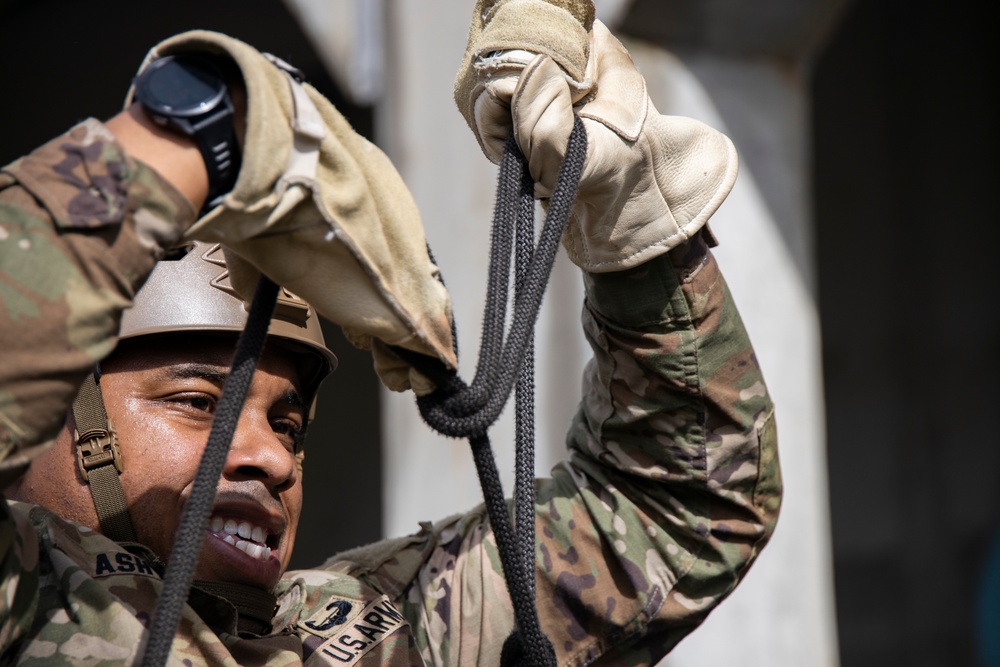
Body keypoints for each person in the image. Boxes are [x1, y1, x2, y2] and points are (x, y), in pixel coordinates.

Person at [0, 1, 781, 664]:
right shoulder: (22, 598)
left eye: (288, 424)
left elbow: (677, 508)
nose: (272, 458)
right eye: (198, 401)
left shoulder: (357, 633)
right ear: (50, 416)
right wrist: (199, 128)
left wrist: (628, 219)